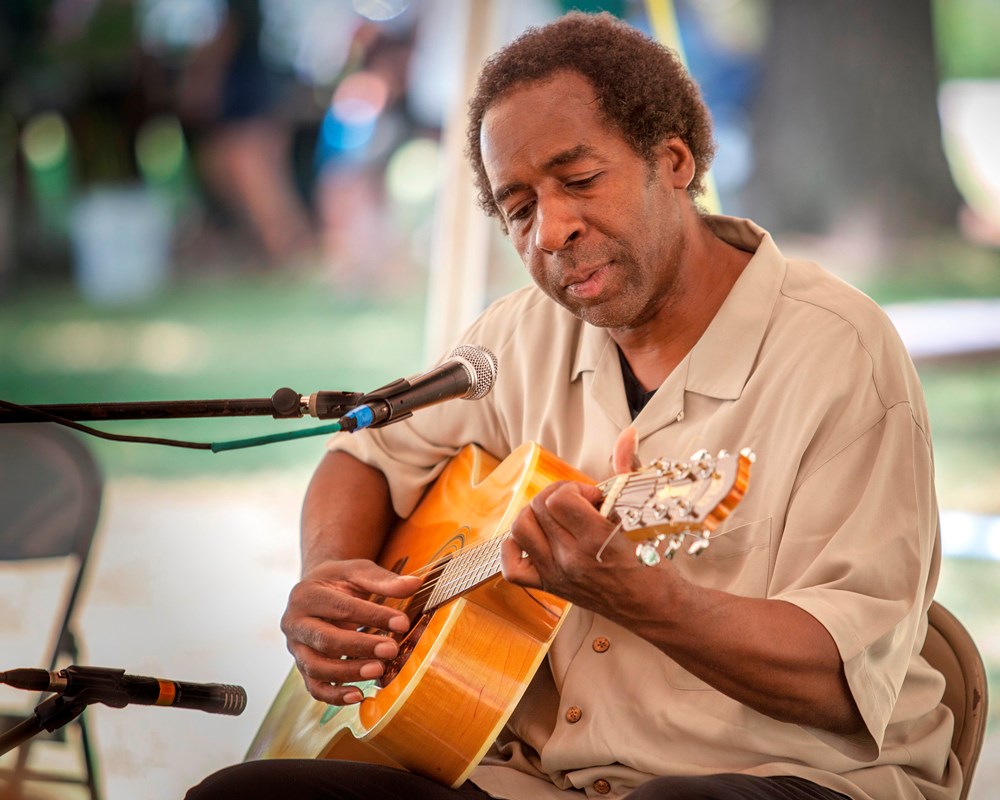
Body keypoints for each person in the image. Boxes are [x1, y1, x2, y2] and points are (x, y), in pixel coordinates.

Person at [187, 11, 958, 800]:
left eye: (580, 180)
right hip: (535, 779)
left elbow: (836, 683)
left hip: (789, 778)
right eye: (519, 209)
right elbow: (364, 458)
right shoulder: (515, 340)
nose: (551, 231)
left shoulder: (837, 354)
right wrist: (335, 587)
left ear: (675, 159)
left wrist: (644, 597)